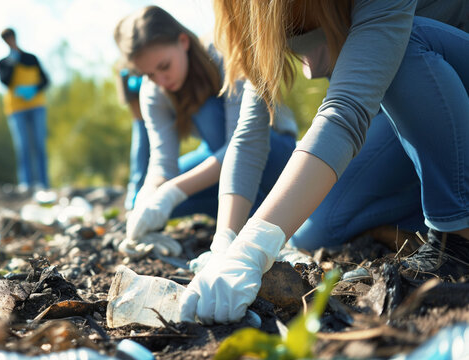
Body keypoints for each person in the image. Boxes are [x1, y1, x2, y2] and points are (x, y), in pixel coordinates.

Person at [180, 0, 469, 325]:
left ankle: (456, 239)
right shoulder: (247, 7)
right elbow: (249, 133)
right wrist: (227, 243)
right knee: (314, 230)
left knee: (407, 41)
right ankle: (430, 207)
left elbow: (347, 109)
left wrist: (253, 247)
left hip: (450, 82)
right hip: (407, 114)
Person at [113, 6, 298, 255]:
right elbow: (163, 164)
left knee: (207, 112)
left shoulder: (225, 54)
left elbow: (241, 144)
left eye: (164, 66)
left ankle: (264, 216)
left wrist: (170, 192)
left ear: (183, 41)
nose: (160, 80)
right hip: (216, 157)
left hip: (274, 151)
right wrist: (146, 203)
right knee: (147, 204)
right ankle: (246, 216)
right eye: (149, 74)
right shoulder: (153, 90)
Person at [0, 28, 51, 198]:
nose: (10, 40)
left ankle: (44, 184)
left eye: (11, 37)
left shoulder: (31, 58)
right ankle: (26, 184)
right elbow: (5, 81)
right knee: (23, 147)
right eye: (6, 39)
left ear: (15, 37)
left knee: (39, 145)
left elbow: (45, 80)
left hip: (36, 105)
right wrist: (13, 62)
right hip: (16, 109)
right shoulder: (4, 63)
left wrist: (34, 89)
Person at [114, 63, 150, 211]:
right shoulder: (125, 67)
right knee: (141, 145)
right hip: (141, 118)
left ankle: (136, 194)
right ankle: (136, 196)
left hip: (155, 116)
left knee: (143, 145)